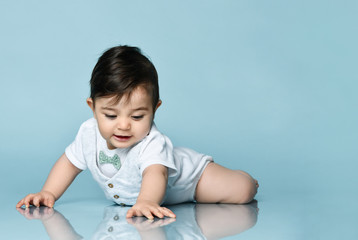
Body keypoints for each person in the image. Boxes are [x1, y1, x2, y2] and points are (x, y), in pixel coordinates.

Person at [16, 46, 259, 220]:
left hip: (190, 179)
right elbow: (69, 163)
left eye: (137, 116)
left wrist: (147, 201)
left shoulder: (152, 142)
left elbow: (156, 173)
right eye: (110, 115)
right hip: (161, 193)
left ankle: (245, 178)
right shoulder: (88, 133)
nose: (123, 125)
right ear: (93, 108)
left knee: (242, 191)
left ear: (155, 110)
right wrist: (48, 192)